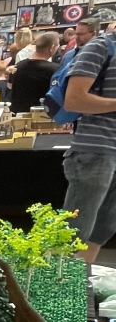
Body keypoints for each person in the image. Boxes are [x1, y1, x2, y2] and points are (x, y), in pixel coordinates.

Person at [61, 25, 116, 263]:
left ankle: (80, 278)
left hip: (109, 150)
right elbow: (74, 100)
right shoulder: (101, 46)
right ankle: (56, 279)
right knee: (74, 232)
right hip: (95, 150)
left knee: (103, 228)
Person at [10, 32, 60, 114]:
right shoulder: (56, 70)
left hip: (18, 114)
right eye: (57, 46)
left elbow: (10, 87)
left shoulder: (18, 66)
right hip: (43, 116)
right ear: (51, 48)